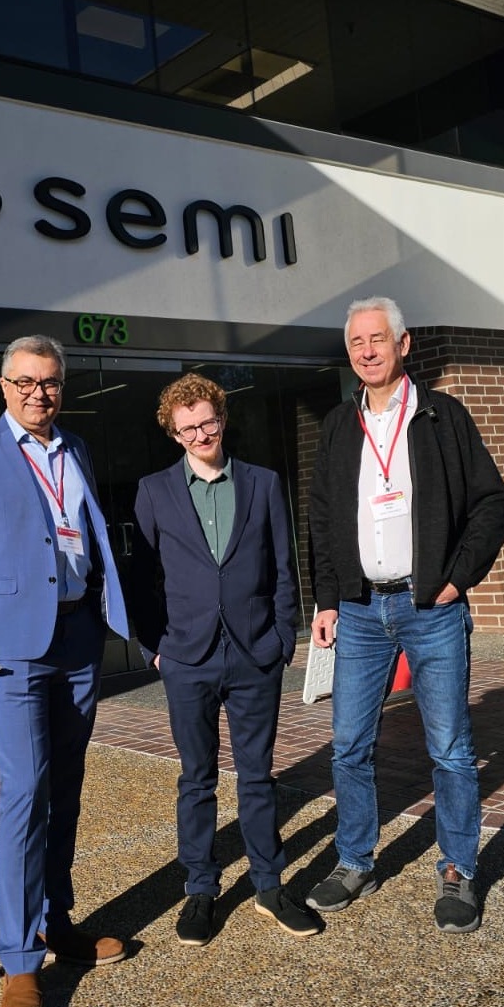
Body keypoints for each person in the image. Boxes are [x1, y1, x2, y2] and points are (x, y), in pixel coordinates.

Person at [0, 334, 130, 1007]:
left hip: (77, 640)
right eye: (24, 382)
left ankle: (57, 921)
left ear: (61, 387)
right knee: (24, 794)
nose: (37, 393)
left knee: (67, 787)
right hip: (12, 649)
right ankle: (19, 960)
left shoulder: (76, 449)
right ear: (3, 385)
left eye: (48, 383)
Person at [305, 296, 504, 934]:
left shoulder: (443, 416)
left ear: (403, 344)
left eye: (377, 339)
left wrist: (456, 579)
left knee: (449, 748)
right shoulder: (339, 425)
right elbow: (322, 517)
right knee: (348, 745)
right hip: (360, 609)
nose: (366, 351)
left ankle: (458, 870)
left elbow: (492, 504)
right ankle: (354, 861)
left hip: (430, 608)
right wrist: (327, 598)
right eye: (356, 342)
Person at [130, 374, 319, 946]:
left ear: (222, 418)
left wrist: (283, 638)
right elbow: (141, 578)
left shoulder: (263, 483)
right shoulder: (154, 490)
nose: (200, 434)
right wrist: (155, 649)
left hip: (255, 653)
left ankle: (269, 886)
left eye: (207, 422)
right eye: (187, 428)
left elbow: (283, 566)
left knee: (257, 776)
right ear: (173, 433)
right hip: (187, 657)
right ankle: (200, 889)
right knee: (197, 778)